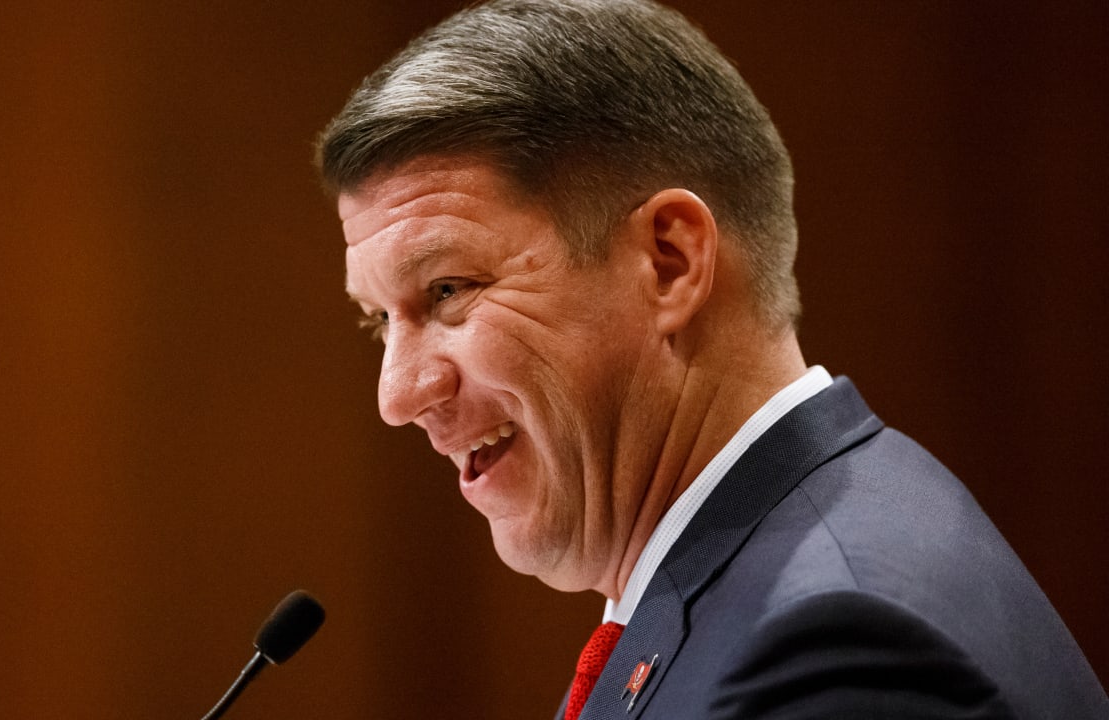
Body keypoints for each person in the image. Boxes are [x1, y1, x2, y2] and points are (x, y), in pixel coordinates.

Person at [315, 0, 1108, 717]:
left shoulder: (834, 651)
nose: (398, 394)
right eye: (380, 320)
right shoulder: (743, 580)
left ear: (668, 262)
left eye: (448, 289)